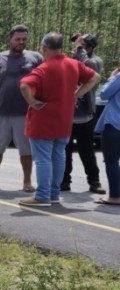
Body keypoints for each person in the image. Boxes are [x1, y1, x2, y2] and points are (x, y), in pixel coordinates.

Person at [18, 32, 100, 207]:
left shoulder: (43, 68)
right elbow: (95, 78)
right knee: (58, 156)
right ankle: (54, 193)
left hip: (43, 121)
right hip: (64, 120)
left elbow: (24, 85)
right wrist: (76, 94)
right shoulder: (74, 64)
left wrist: (31, 102)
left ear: (44, 48)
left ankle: (42, 196)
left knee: (43, 159)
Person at [0, 24, 44, 192]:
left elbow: (45, 82)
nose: (21, 42)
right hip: (0, 111)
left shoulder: (36, 58)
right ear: (9, 40)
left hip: (26, 113)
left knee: (26, 150)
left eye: (24, 39)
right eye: (17, 39)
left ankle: (27, 182)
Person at [62, 33, 105, 194]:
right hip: (67, 114)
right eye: (77, 45)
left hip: (84, 115)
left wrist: (79, 50)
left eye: (82, 46)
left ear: (91, 48)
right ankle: (64, 181)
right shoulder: (72, 60)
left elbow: (90, 68)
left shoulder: (95, 60)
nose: (77, 48)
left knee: (86, 151)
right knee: (64, 150)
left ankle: (94, 181)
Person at [93, 64, 120, 205]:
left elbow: (104, 94)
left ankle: (115, 196)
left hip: (115, 124)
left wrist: (112, 78)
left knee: (112, 161)